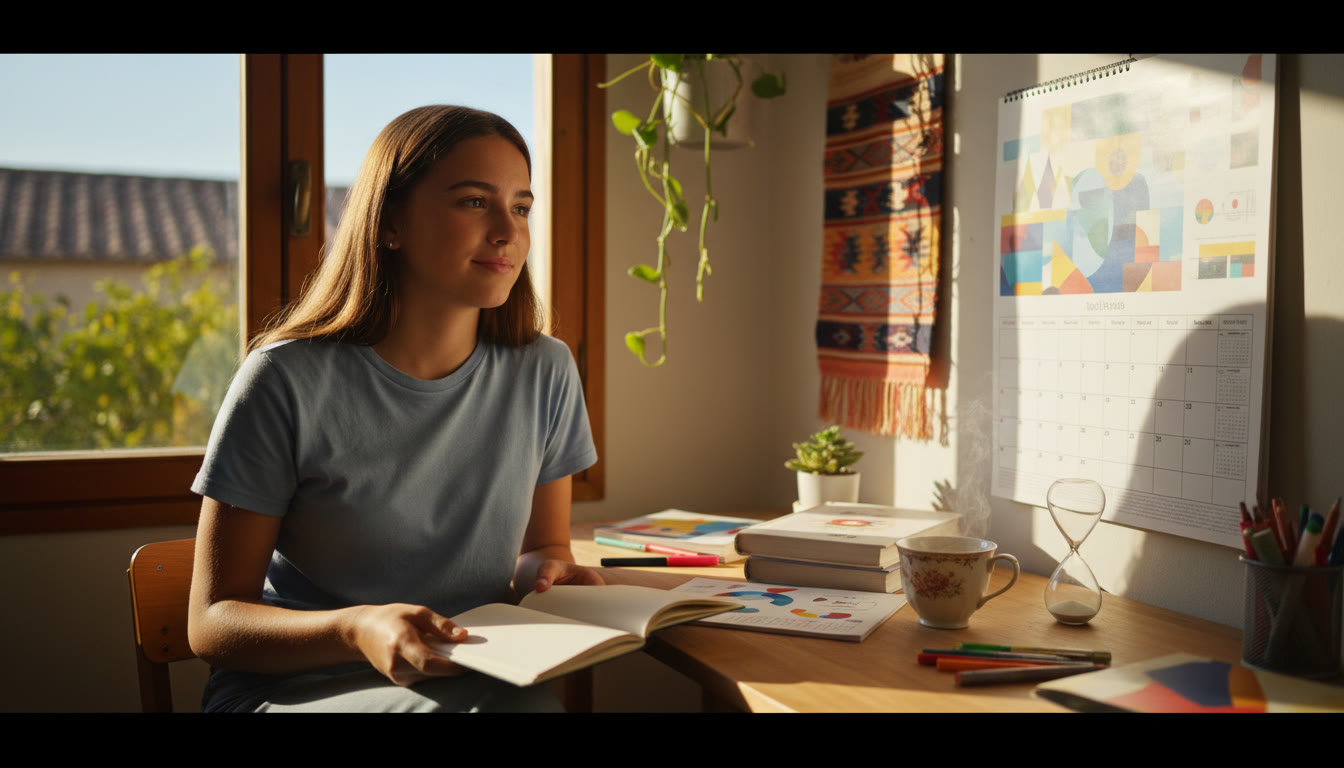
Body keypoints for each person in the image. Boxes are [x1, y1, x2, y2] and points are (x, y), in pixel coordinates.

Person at [186, 105, 601, 712]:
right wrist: (357, 629)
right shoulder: (283, 379)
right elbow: (213, 624)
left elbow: (543, 549)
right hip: (297, 686)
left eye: (520, 207)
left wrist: (549, 574)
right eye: (472, 202)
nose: (508, 233)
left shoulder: (546, 369)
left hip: (472, 674)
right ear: (390, 224)